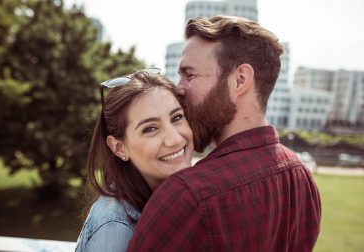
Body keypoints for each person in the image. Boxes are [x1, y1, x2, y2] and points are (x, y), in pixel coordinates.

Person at [127, 15, 321, 251]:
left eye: (190, 75)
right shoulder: (302, 177)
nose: (178, 88)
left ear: (239, 80)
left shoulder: (187, 196)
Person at [75, 68, 194, 252]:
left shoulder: (169, 200)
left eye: (176, 117)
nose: (176, 139)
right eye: (150, 129)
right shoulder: (115, 229)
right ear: (119, 147)